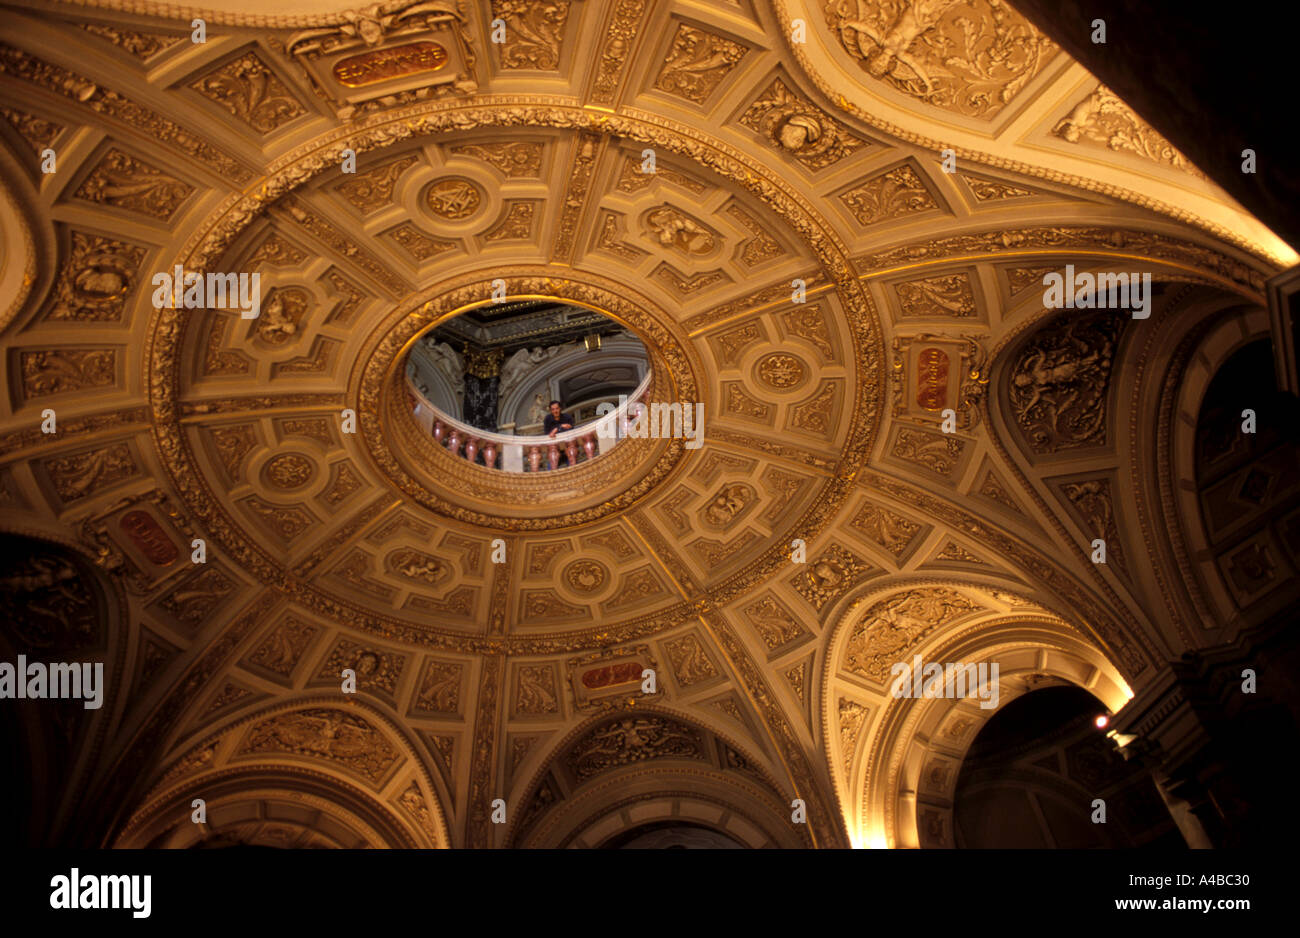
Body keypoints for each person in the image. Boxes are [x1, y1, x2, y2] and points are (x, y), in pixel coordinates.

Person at [542, 400, 574, 468]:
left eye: (557, 408)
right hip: (554, 449)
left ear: (560, 408)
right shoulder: (547, 419)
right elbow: (548, 435)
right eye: (553, 409)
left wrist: (556, 429)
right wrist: (561, 427)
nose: (555, 411)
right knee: (551, 467)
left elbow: (571, 430)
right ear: (551, 411)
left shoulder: (567, 417)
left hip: (567, 447)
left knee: (572, 463)